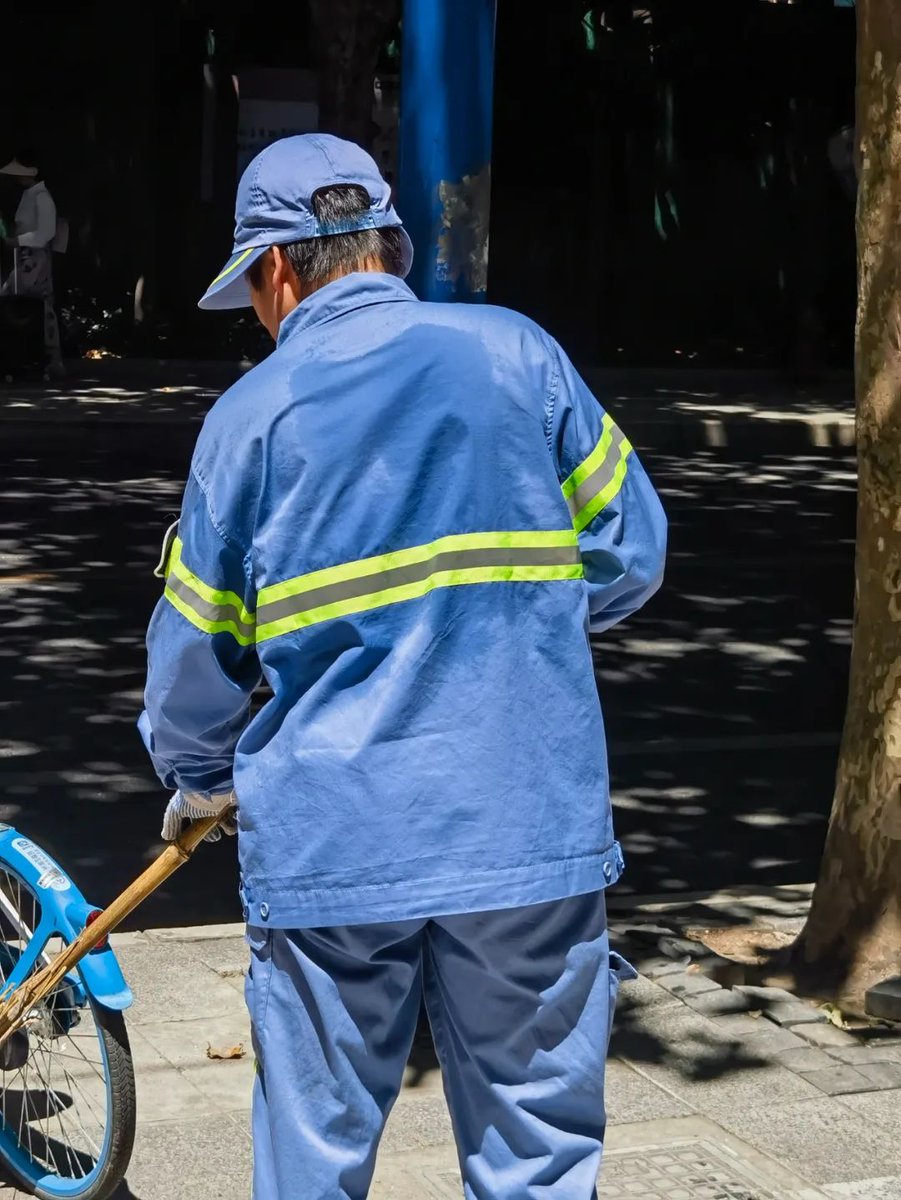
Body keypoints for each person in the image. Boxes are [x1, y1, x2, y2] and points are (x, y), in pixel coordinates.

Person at [139, 134, 666, 1200]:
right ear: (386, 245)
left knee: (314, 1155)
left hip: (334, 845)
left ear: (279, 269)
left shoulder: (250, 421)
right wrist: (517, 637)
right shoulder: (519, 354)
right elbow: (630, 550)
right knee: (541, 1155)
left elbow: (192, 660)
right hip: (525, 828)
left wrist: (198, 777)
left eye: (251, 289)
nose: (257, 312)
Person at [0, 156, 63, 377]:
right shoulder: (29, 195)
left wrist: (19, 241)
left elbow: (46, 233)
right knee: (16, 304)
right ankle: (22, 358)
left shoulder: (43, 198)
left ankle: (46, 360)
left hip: (36, 258)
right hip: (24, 256)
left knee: (37, 306)